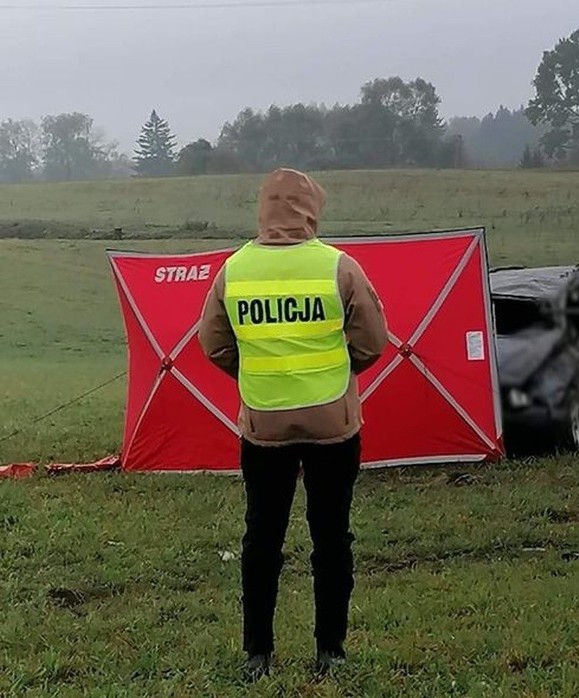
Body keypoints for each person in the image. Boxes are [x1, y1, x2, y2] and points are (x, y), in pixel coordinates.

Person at [198, 168, 388, 681]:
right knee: (331, 538)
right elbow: (372, 341)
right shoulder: (340, 268)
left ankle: (257, 653)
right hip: (334, 427)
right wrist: (338, 373)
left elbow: (213, 343)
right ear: (311, 209)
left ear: (264, 208)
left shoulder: (233, 271)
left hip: (263, 427)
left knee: (261, 538)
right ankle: (331, 652)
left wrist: (255, 373)